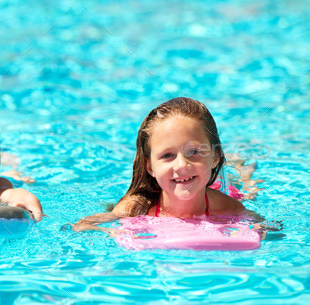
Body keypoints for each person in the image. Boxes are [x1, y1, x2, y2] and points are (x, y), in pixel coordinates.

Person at [74, 97, 254, 232]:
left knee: (247, 193)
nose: (182, 165)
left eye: (194, 152)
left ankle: (245, 175)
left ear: (215, 157)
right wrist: (112, 232)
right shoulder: (137, 207)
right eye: (168, 155)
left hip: (221, 189)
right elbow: (82, 226)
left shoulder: (226, 206)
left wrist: (256, 231)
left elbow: (266, 227)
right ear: (150, 167)